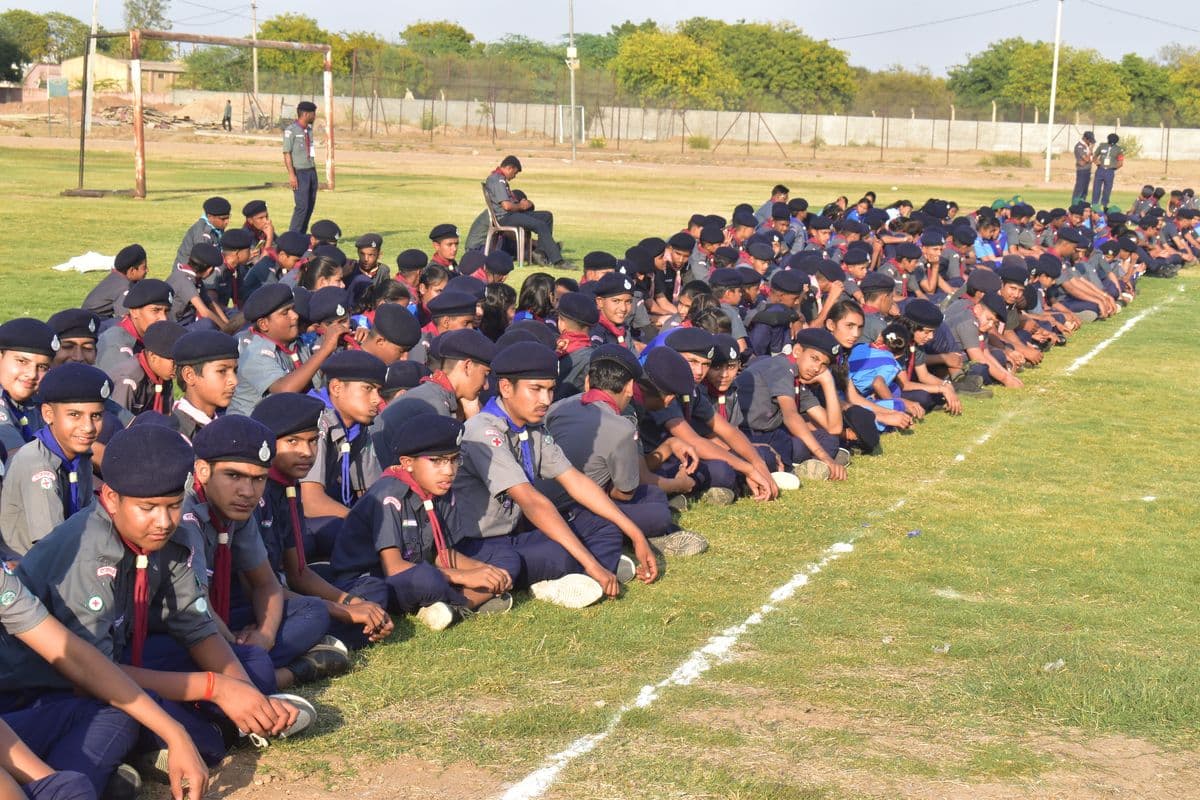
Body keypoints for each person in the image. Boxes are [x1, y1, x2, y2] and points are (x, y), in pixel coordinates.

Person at [9, 423, 309, 775]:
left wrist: (242, 692)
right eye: (148, 507)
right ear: (111, 499)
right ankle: (191, 738)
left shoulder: (173, 539)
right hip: (47, 688)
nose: (164, 521)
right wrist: (214, 688)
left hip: (120, 657)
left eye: (173, 505)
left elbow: (197, 628)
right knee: (123, 718)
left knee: (251, 664)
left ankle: (207, 731)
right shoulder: (87, 554)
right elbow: (92, 673)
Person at [452, 341, 657, 609]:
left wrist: (636, 533)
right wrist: (590, 561)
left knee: (603, 525)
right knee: (558, 553)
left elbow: (576, 481)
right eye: (536, 390)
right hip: (477, 543)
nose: (546, 400)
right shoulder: (484, 431)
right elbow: (531, 501)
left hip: (515, 532)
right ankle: (462, 601)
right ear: (505, 388)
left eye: (550, 390)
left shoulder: (533, 429)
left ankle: (583, 579)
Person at [181, 415, 349, 692]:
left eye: (258, 479)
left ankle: (251, 667)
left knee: (313, 610)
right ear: (202, 471)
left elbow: (266, 583)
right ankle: (291, 672)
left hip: (220, 621)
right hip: (186, 628)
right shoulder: (184, 515)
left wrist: (265, 637)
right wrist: (234, 644)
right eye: (233, 476)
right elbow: (196, 610)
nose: (247, 491)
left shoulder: (237, 510)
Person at [333, 413, 515, 631]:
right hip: (375, 579)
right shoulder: (389, 495)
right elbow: (394, 567)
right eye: (437, 461)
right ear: (407, 463)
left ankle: (452, 608)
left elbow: (442, 553)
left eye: (454, 459)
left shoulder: (441, 488)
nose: (449, 471)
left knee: (506, 559)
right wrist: (465, 576)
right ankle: (466, 602)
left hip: (420, 568)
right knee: (426, 579)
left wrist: (484, 570)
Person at [250, 393, 395, 648]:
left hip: (284, 587)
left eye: (313, 441)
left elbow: (299, 573)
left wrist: (351, 601)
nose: (307, 452)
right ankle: (309, 649)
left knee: (370, 587)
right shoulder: (253, 494)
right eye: (293, 442)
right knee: (314, 613)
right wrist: (343, 611)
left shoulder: (287, 487)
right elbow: (259, 587)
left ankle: (325, 641)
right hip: (259, 601)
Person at [545, 345, 708, 557]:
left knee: (653, 496)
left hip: (540, 504)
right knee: (656, 511)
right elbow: (624, 492)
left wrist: (668, 446)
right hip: (574, 508)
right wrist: (680, 484)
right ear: (630, 387)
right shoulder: (622, 424)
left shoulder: (559, 407)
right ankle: (645, 541)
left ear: (587, 381)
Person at [0, 363, 108, 555]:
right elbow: (53, 545)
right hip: (29, 571)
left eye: (96, 416)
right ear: (48, 414)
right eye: (75, 415)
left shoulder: (80, 456)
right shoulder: (38, 465)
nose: (88, 427)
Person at [227, 284, 344, 416]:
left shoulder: (295, 344)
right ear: (264, 324)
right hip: (248, 428)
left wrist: (341, 345)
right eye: (285, 312)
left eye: (293, 309)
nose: (295, 316)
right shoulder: (254, 352)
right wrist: (325, 349)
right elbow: (285, 390)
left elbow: (313, 379)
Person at [483, 155, 571, 268]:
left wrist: (523, 204)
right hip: (505, 217)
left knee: (547, 216)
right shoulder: (497, 179)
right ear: (509, 168)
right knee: (540, 225)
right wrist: (521, 206)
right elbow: (507, 206)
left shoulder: (499, 178)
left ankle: (540, 252)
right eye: (514, 173)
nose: (514, 176)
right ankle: (558, 261)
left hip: (512, 214)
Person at [0, 319, 58, 456]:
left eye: (42, 367)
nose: (32, 374)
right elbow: (16, 460)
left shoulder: (34, 402)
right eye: (22, 361)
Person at [95, 279, 173, 376]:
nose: (164, 319)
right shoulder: (116, 345)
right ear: (134, 311)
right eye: (156, 310)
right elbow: (120, 388)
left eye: (166, 311)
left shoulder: (147, 338)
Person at [170, 330, 239, 439]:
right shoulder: (175, 434)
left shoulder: (225, 424)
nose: (234, 381)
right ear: (189, 375)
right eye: (222, 371)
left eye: (235, 371)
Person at [108, 321, 186, 416]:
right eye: (174, 363)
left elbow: (166, 416)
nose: (178, 369)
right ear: (153, 357)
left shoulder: (162, 375)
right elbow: (119, 422)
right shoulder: (129, 380)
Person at [83, 244, 148, 320]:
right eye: (144, 267)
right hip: (93, 321)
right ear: (132, 270)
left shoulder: (116, 276)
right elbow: (123, 317)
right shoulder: (124, 287)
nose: (147, 270)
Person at [283, 101, 319, 234]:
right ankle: (292, 235)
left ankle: (302, 235)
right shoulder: (291, 130)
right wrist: (292, 175)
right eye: (313, 114)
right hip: (300, 172)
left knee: (310, 205)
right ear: (305, 114)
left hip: (311, 171)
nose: (315, 116)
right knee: (302, 206)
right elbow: (287, 153)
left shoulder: (308, 130)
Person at [174, 197, 229, 269]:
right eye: (223, 219)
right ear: (210, 217)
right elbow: (203, 263)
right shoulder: (203, 234)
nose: (227, 222)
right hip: (189, 274)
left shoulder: (217, 227)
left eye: (228, 217)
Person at [1091, 133, 1124, 209]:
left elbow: (1120, 163)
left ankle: (1104, 205)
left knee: (1107, 189)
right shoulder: (1102, 146)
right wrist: (1097, 163)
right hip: (1100, 169)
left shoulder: (1119, 150)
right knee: (1096, 188)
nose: (1112, 143)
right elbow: (1094, 156)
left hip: (1110, 171)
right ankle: (1094, 205)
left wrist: (1113, 168)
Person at [1073, 131, 1095, 204]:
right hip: (1082, 171)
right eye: (1089, 140)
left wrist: (1088, 159)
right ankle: (1075, 205)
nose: (1090, 142)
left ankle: (1082, 205)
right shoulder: (1079, 146)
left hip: (1088, 170)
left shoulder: (1086, 146)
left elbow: (1090, 159)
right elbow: (1087, 159)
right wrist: (1091, 150)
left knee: (1085, 191)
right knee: (1079, 190)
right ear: (1085, 138)